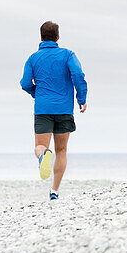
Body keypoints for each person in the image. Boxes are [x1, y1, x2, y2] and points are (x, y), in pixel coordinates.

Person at [20, 21, 87, 200]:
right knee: (62, 151)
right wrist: (81, 98)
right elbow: (78, 75)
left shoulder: (33, 58)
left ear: (41, 37)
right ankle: (54, 191)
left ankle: (43, 155)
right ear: (58, 37)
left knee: (40, 147)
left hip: (43, 109)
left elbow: (25, 83)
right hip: (64, 108)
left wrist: (37, 94)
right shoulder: (68, 55)